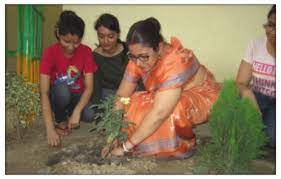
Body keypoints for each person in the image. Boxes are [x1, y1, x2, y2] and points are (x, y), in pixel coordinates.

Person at [103, 17, 220, 159]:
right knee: (130, 102)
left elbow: (160, 113)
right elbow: (122, 95)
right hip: (166, 96)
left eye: (144, 57)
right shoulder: (138, 57)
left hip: (202, 97)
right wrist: (112, 135)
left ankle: (181, 145)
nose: (138, 63)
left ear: (158, 47)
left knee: (173, 110)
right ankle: (140, 142)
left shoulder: (176, 62)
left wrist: (125, 147)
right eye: (133, 56)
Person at [40, 10, 98, 147]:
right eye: (66, 41)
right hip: (59, 96)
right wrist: (49, 129)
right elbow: (44, 92)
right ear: (58, 34)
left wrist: (77, 112)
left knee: (91, 115)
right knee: (62, 90)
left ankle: (71, 115)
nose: (71, 47)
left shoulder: (86, 51)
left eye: (76, 43)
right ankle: (60, 119)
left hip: (77, 96)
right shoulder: (50, 53)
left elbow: (89, 87)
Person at [236, 5, 276, 148]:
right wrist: (246, 92)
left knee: (272, 139)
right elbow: (240, 82)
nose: (273, 32)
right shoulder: (255, 45)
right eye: (271, 25)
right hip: (258, 96)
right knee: (240, 124)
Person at [92, 13, 144, 105]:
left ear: (118, 34)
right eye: (101, 36)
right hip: (107, 94)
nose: (106, 41)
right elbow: (96, 86)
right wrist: (95, 107)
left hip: (128, 91)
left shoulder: (128, 50)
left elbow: (139, 76)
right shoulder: (95, 55)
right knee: (88, 114)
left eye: (110, 36)